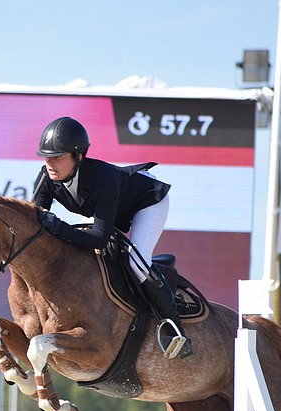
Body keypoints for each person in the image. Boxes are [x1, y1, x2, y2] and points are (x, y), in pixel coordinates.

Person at [32, 116, 192, 360]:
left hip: (147, 202)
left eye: (58, 156)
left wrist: (59, 227)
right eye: (46, 156)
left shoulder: (102, 177)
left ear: (79, 156)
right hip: (114, 210)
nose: (50, 163)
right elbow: (36, 223)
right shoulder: (47, 178)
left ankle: (174, 330)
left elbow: (98, 237)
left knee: (136, 262)